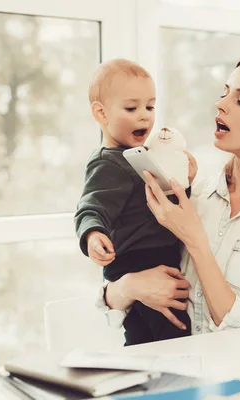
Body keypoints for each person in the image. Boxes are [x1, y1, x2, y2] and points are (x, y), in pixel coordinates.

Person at [97, 54, 240, 335]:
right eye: (224, 94)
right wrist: (131, 286)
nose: (220, 104)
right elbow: (107, 303)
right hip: (161, 368)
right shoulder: (191, 193)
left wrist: (195, 239)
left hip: (237, 373)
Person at [74, 58, 196, 345]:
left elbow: (167, 203)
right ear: (101, 113)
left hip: (156, 258)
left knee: (143, 341)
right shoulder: (107, 163)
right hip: (136, 262)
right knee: (174, 334)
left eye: (150, 107)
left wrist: (185, 178)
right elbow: (91, 206)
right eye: (131, 108)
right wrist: (93, 234)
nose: (144, 116)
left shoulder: (144, 156)